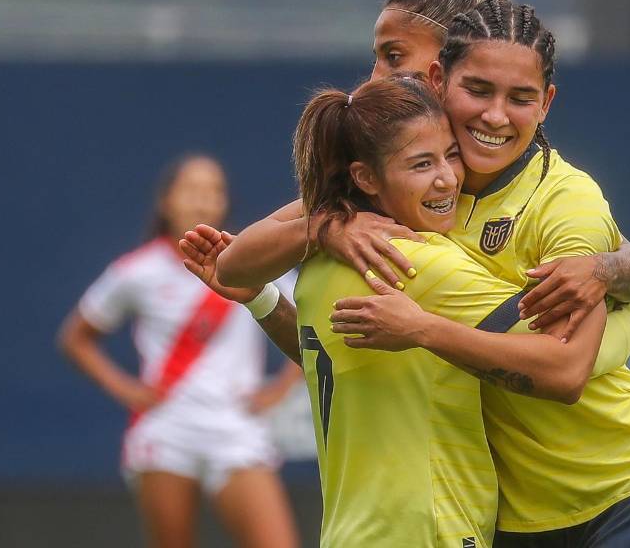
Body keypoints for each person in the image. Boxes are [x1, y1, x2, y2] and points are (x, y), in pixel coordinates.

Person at [217, 0, 630, 547]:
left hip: (627, 486)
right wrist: (325, 226)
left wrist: (616, 280)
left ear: (546, 103)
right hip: (525, 515)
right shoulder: (401, 197)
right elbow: (235, 264)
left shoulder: (563, 199)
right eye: (479, 90)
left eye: (519, 97)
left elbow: (568, 367)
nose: (496, 115)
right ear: (441, 80)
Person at [253, 73, 608, 547]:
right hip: (429, 532)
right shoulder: (418, 262)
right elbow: (563, 367)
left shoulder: (317, 261)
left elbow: (236, 264)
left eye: (451, 155)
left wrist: (263, 293)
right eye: (421, 164)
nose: (447, 178)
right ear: (366, 178)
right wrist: (600, 273)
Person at [57, 154, 301, 548]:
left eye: (213, 191)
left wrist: (280, 389)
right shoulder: (137, 271)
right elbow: (76, 337)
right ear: (166, 201)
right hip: (166, 430)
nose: (202, 201)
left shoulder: (250, 255)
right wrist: (127, 389)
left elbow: (308, 324)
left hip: (236, 428)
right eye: (191, 190)